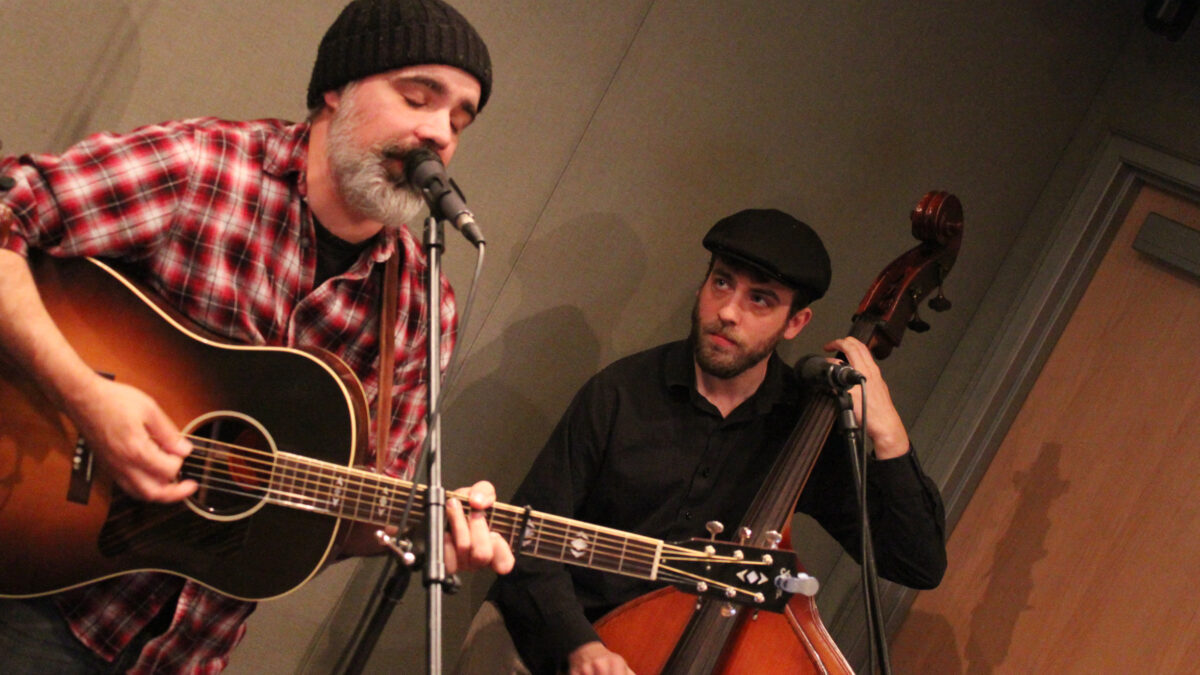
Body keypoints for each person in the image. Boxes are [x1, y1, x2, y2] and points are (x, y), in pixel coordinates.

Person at [0, 0, 514, 672]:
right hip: (37, 589)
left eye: (459, 120)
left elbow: (350, 512)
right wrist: (84, 396)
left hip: (186, 652)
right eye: (418, 97)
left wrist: (426, 526)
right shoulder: (204, 168)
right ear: (336, 89)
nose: (438, 132)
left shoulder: (423, 304)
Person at [470, 209, 947, 674]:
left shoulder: (802, 428)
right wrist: (582, 647)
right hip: (551, 642)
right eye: (721, 282)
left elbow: (916, 564)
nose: (727, 312)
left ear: (796, 323)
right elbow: (525, 537)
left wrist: (888, 432)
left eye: (760, 299)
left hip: (687, 654)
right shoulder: (619, 393)